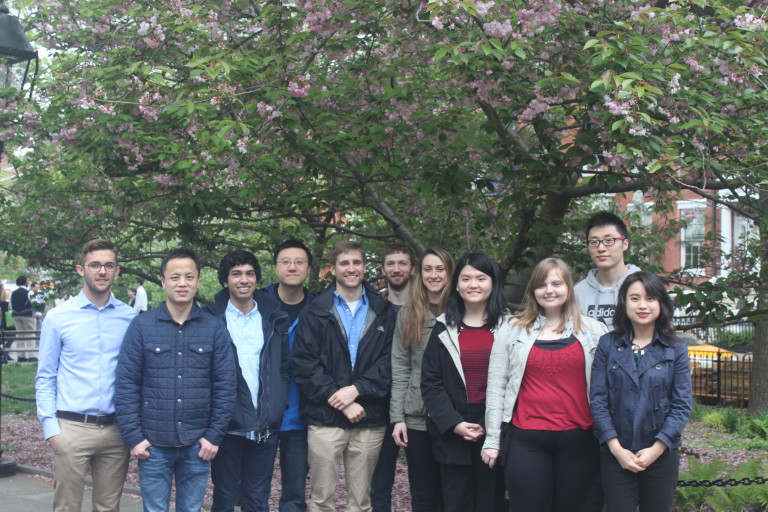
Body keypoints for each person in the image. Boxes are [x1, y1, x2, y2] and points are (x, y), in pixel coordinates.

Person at [482, 257, 608, 512]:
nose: (549, 290)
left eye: (556, 283)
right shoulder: (510, 329)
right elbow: (496, 387)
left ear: (569, 287)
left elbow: (606, 390)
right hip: (526, 440)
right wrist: (492, 440)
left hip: (579, 441)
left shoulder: (595, 331)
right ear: (533, 291)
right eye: (542, 285)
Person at [115, 248, 236, 512]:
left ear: (198, 280)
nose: (183, 283)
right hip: (153, 445)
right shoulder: (142, 326)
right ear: (163, 281)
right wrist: (135, 438)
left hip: (197, 444)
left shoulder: (214, 327)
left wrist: (213, 437)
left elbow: (225, 386)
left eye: (189, 277)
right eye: (175, 277)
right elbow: (126, 385)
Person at [292, 239, 396, 512]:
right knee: (321, 500)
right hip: (325, 418)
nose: (351, 268)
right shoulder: (315, 311)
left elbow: (389, 363)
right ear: (333, 269)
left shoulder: (384, 312)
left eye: (356, 262)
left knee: (360, 503)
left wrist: (357, 389)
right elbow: (305, 364)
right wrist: (340, 397)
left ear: (364, 266)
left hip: (369, 418)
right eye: (344, 263)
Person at [35, 239, 136, 511]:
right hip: (72, 428)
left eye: (108, 265)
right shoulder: (58, 318)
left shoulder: (130, 318)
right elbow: (45, 376)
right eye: (95, 265)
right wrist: (51, 430)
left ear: (117, 270)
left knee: (108, 508)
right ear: (81, 270)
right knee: (66, 507)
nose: (102, 271)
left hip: (116, 431)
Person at [590, 271, 692, 512]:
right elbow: (598, 400)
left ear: (661, 303)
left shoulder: (676, 349)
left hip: (661, 452)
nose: (642, 305)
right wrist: (617, 449)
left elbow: (681, 406)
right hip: (616, 452)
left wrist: (656, 449)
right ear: (624, 302)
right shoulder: (608, 344)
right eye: (635, 298)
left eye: (650, 298)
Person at [420, 252, 508, 512]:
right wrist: (455, 424)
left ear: (493, 283)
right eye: (466, 278)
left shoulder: (510, 327)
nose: (473, 285)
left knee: (492, 503)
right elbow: (431, 382)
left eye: (481, 278)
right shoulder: (443, 329)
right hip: (454, 430)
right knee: (455, 503)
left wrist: (491, 426)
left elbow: (517, 381)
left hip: (497, 429)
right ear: (456, 284)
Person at [205, 249, 291, 512]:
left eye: (249, 273)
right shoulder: (210, 318)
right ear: (225, 281)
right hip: (226, 428)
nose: (244, 279)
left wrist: (277, 405)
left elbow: (283, 368)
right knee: (225, 499)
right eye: (236, 274)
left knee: (257, 500)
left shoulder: (273, 317)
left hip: (264, 427)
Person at [390, 247, 454, 512]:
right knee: (424, 494)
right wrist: (398, 418)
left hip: (456, 416)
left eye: (440, 269)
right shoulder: (408, 314)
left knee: (453, 492)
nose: (434, 275)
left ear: (450, 273)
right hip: (417, 417)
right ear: (419, 273)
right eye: (428, 269)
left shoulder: (464, 311)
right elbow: (401, 367)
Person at [260, 239, 316, 512]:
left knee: (294, 494)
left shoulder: (320, 308)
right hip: (260, 415)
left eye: (299, 262)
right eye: (285, 261)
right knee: (253, 491)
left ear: (309, 269)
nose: (292, 267)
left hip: (301, 416)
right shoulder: (256, 303)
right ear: (275, 268)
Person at [371, 243, 416, 512]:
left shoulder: (426, 306)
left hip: (418, 403)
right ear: (383, 269)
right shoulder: (375, 307)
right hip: (379, 402)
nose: (396, 269)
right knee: (380, 480)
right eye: (391, 264)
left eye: (402, 263)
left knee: (425, 478)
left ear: (412, 269)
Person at [574, 212, 641, 330]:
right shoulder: (577, 293)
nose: (601, 248)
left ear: (625, 244)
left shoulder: (645, 287)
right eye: (594, 242)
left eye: (609, 240)